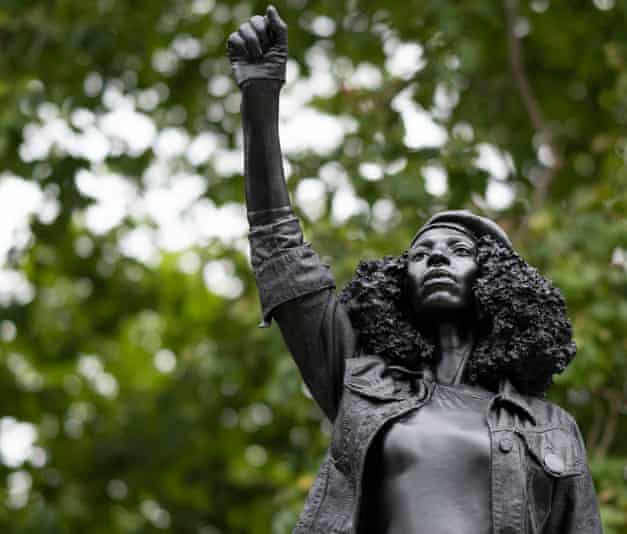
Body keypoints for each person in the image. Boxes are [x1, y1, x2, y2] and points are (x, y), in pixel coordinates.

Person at [226, 6, 604, 534]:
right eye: (422, 254)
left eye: (458, 250)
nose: (437, 259)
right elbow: (281, 253)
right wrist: (259, 96)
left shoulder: (551, 428)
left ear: (494, 282)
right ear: (399, 287)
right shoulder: (361, 381)